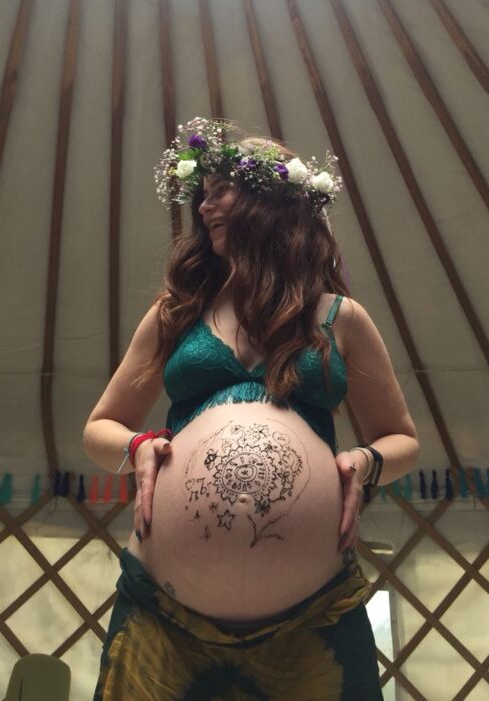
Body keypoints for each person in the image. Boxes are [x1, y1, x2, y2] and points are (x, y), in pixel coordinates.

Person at [83, 117, 419, 700]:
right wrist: (137, 448)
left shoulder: (343, 319)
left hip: (311, 618)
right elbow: (99, 428)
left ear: (274, 201)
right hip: (163, 612)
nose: (206, 206)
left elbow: (401, 438)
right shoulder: (176, 312)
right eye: (202, 195)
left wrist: (365, 463)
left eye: (221, 191)